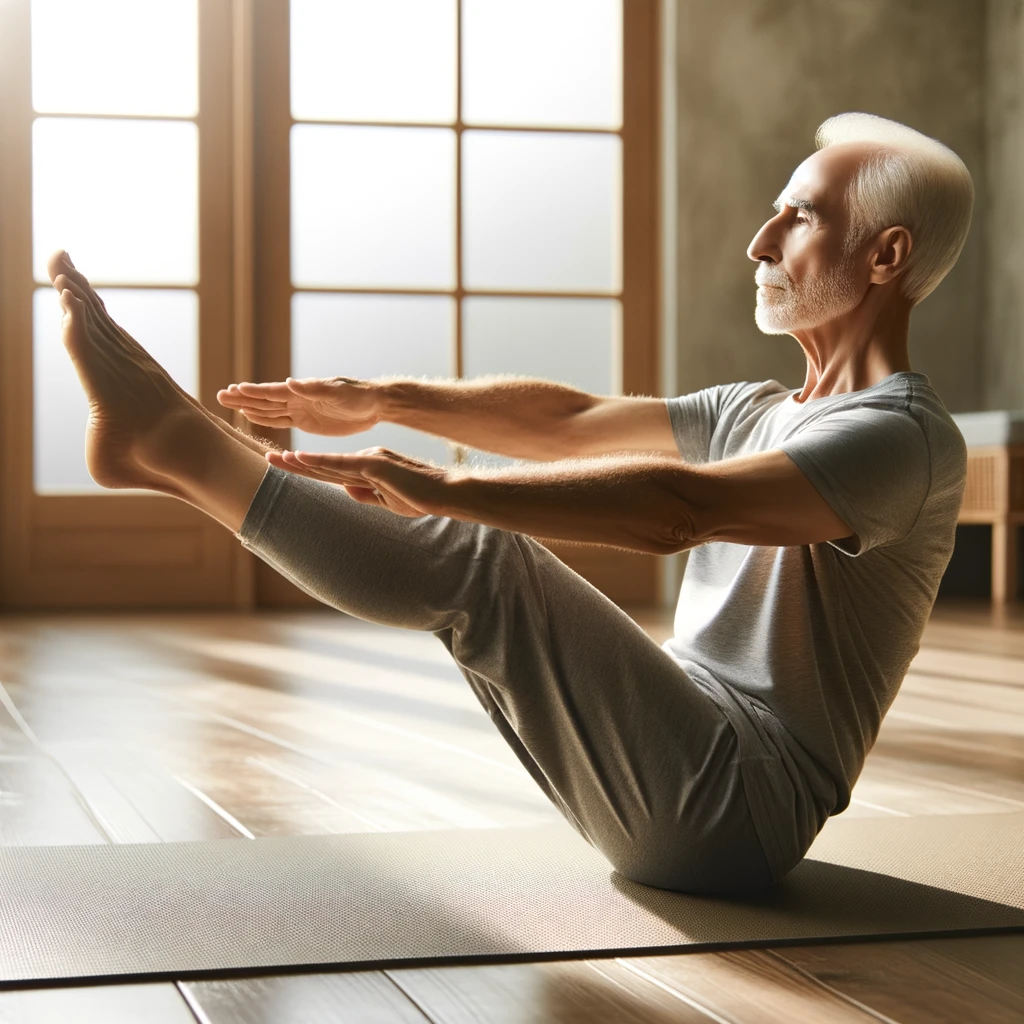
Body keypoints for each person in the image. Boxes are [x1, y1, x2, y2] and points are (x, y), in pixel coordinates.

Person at [46, 112, 970, 895]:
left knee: (488, 558)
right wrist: (382, 397)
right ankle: (175, 451)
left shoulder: (902, 438)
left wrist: (445, 491)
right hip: (688, 744)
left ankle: (174, 448)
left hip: (739, 808)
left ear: (885, 254)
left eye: (798, 217)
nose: (760, 242)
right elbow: (568, 422)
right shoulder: (760, 410)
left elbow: (680, 509)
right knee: (486, 563)